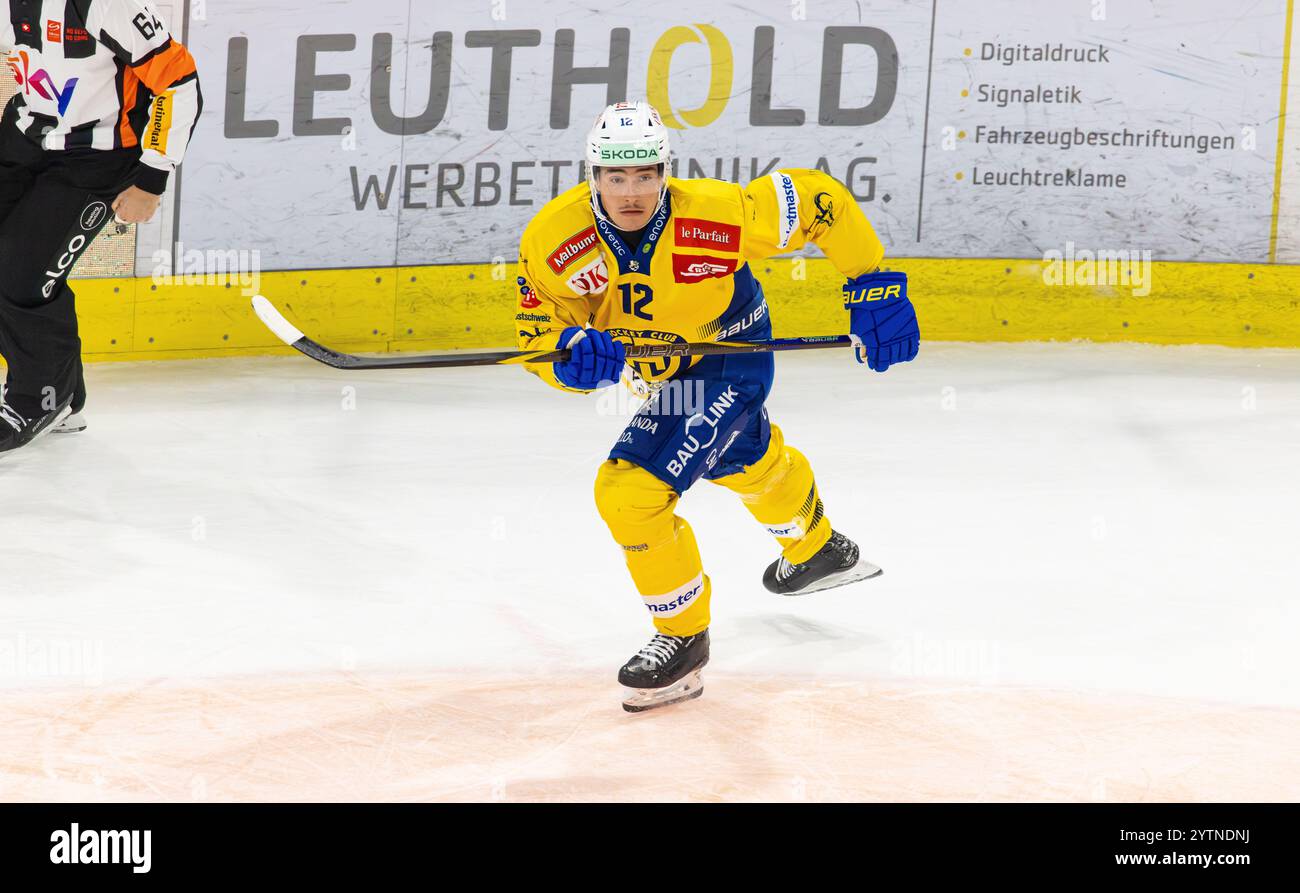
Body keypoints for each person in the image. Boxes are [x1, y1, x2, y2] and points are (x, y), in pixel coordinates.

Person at [514, 101, 920, 712]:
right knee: (740, 458)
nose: (631, 193)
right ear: (593, 175)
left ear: (664, 172)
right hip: (662, 373)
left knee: (628, 493)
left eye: (646, 176)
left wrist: (872, 283)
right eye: (616, 177)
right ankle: (817, 547)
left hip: (731, 353)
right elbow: (539, 332)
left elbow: (817, 201)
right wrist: (568, 358)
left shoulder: (716, 213)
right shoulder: (554, 240)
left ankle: (683, 640)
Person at [0, 0, 201, 453]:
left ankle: (41, 399)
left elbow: (179, 82)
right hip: (26, 135)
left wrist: (151, 179)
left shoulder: (107, 5)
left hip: (100, 154)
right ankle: (65, 397)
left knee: (23, 274)